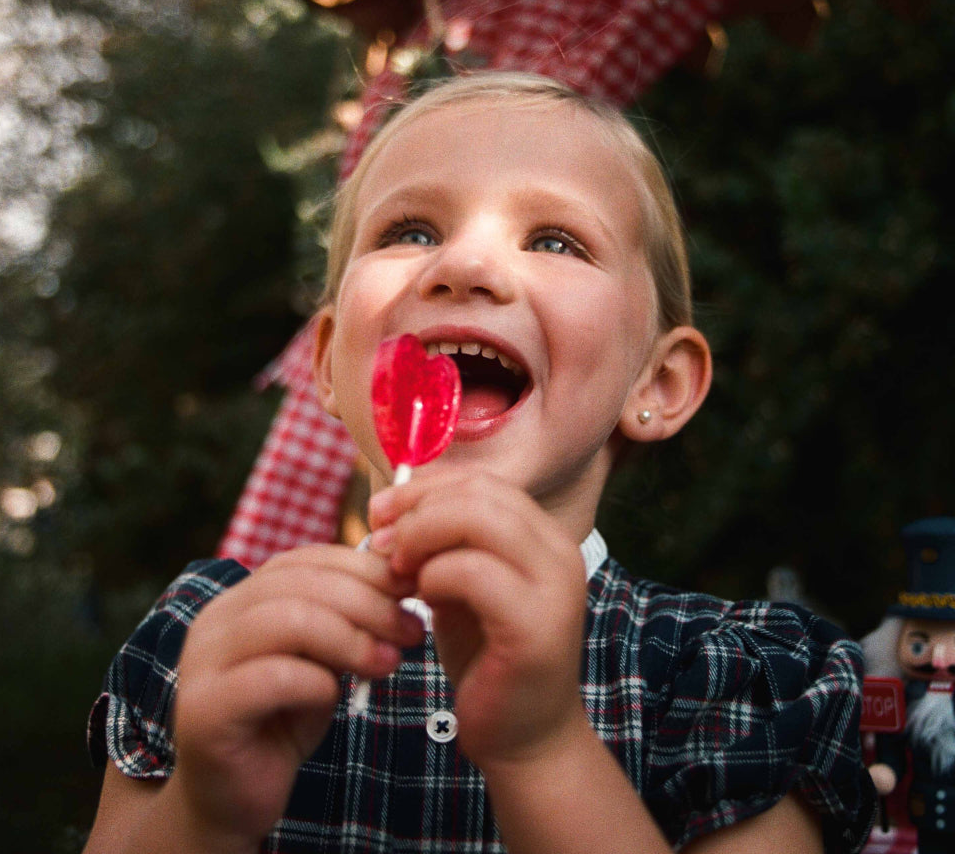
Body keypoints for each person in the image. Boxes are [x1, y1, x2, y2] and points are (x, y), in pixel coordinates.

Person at [82, 71, 876, 853]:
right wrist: (204, 814)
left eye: (556, 240)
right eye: (410, 233)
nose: (463, 267)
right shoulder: (211, 642)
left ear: (658, 384)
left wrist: (543, 749)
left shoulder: (732, 681)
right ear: (326, 364)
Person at [862, 516, 955, 854]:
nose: (939, 658)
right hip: (926, 811)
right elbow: (892, 746)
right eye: (919, 644)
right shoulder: (904, 697)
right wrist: (885, 771)